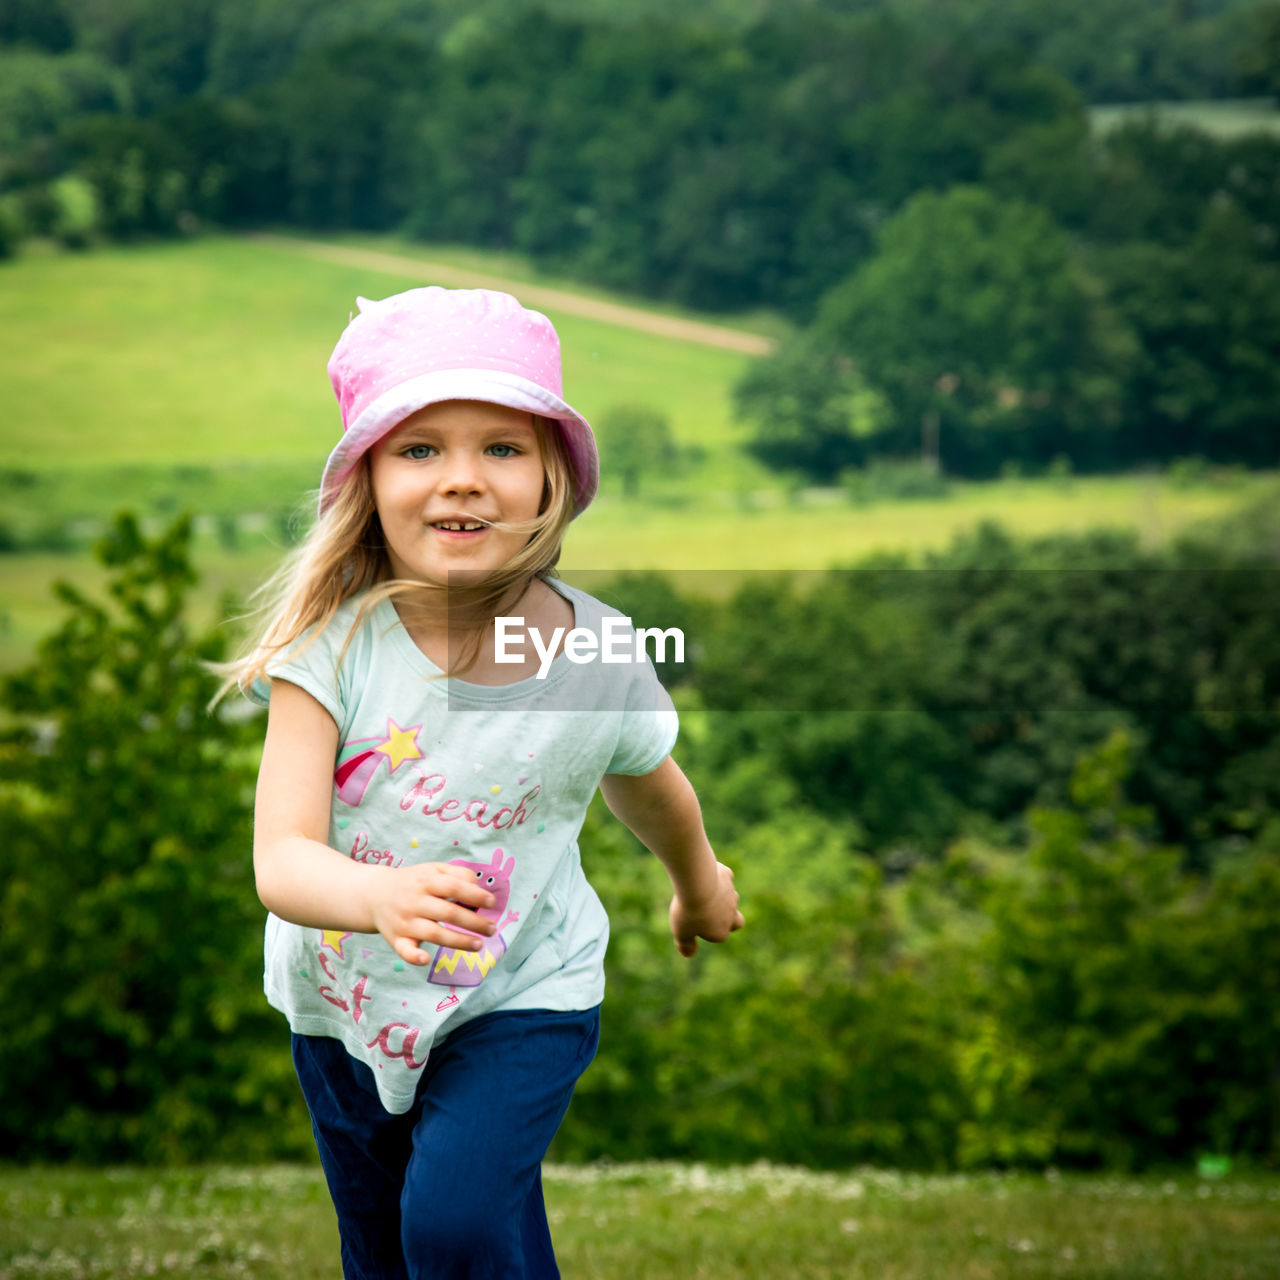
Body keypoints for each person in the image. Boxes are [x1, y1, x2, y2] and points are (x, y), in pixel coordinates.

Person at [223, 285, 744, 1280]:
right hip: (342, 1004)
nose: (461, 479)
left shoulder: (595, 652)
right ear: (366, 480)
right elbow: (281, 857)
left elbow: (647, 782)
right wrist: (375, 895)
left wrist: (697, 880)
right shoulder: (329, 655)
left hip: (522, 991)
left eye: (500, 448)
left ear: (552, 476)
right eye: (420, 449)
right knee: (389, 1254)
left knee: (454, 1225)